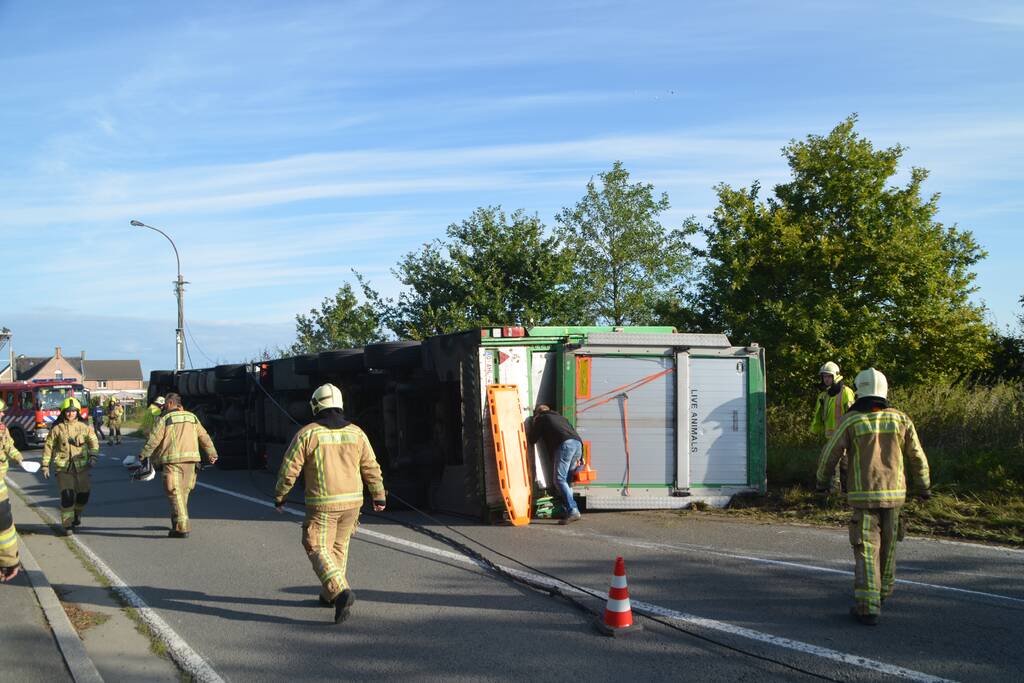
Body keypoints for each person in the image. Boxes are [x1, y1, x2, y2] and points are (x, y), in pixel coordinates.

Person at [816, 368, 931, 626]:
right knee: (889, 547)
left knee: (867, 549)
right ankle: (883, 592)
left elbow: (829, 455)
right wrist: (924, 488)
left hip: (863, 496)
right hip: (895, 496)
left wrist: (822, 484)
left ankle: (868, 607)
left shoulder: (852, 420)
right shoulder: (901, 420)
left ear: (859, 392)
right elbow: (917, 457)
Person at [274, 383, 385, 625]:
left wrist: (280, 495)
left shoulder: (308, 433)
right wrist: (378, 495)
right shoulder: (357, 433)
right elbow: (371, 466)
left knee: (315, 544)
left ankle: (341, 591)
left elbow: (289, 469)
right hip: (353, 503)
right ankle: (329, 595)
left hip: (322, 504)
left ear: (316, 405)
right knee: (338, 547)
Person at [138, 393, 217, 538]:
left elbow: (154, 439)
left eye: (165, 405)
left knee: (174, 493)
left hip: (172, 461)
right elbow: (204, 436)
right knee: (182, 494)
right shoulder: (192, 417)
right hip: (192, 461)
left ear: (169, 404)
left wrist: (144, 454)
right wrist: (212, 453)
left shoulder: (166, 419)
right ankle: (176, 523)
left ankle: (182, 527)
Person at [41, 397, 100, 535]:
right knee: (67, 496)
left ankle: (77, 514)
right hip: (64, 469)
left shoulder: (84, 427)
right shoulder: (57, 429)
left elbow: (94, 442)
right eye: (68, 411)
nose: (71, 413)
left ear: (77, 412)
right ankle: (67, 525)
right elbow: (48, 447)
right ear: (63, 412)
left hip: (82, 468)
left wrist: (93, 456)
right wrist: (45, 465)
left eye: (73, 411)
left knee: (83, 496)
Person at [528, 404, 584, 524]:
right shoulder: (561, 418)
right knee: (566, 481)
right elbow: (574, 434)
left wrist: (533, 424)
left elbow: (532, 438)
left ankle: (573, 510)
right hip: (578, 444)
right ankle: (569, 509)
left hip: (565, 445)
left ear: (538, 412)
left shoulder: (542, 418)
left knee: (559, 479)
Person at [811, 361, 856, 490]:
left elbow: (852, 414)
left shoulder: (846, 392)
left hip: (844, 436)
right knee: (830, 465)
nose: (826, 379)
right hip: (830, 438)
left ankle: (839, 494)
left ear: (835, 376)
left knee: (843, 466)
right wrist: (817, 432)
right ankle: (835, 492)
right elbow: (819, 417)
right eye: (824, 376)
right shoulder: (824, 395)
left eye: (829, 376)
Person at [1, 399, 25, 581]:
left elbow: (9, 446)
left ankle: (7, 562)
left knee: (4, 524)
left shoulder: (2, 430)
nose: (2, 415)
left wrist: (19, 458)